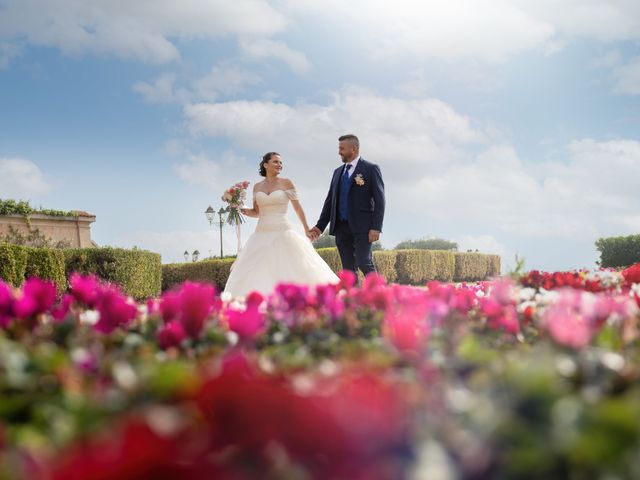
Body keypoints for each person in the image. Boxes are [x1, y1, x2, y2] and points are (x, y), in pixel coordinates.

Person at [223, 152, 339, 299]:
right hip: (261, 233)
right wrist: (240, 208)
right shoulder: (257, 187)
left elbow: (297, 207)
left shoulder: (286, 183)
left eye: (281, 163)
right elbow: (257, 212)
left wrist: (306, 228)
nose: (280, 165)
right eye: (276, 162)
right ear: (266, 165)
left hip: (283, 231)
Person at [308, 134, 385, 276]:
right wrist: (320, 226)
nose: (339, 152)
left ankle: (379, 296)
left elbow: (380, 200)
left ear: (353, 149)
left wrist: (376, 227)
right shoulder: (337, 172)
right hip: (341, 228)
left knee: (364, 262)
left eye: (342, 148)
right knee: (348, 269)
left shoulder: (370, 169)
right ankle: (353, 298)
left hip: (363, 227)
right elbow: (330, 201)